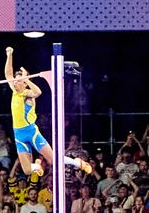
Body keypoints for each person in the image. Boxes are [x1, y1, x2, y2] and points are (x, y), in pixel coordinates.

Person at [6, 47, 93, 179]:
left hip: (31, 133)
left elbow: (38, 92)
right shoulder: (15, 91)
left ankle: (77, 162)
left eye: (18, 80)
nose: (14, 82)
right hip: (18, 135)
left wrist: (26, 78)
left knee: (53, 161)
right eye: (15, 80)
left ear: (24, 83)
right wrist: (9, 55)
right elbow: (8, 74)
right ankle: (37, 165)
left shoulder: (27, 94)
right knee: (27, 170)